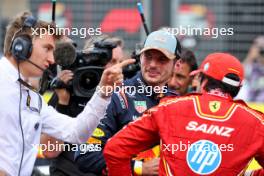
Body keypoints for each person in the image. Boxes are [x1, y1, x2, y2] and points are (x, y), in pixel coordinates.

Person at [0, 11, 134, 176]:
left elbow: (77, 133)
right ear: (22, 46)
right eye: (47, 48)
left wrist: (103, 91)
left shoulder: (34, 99)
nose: (52, 59)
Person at [103, 52, 264, 175]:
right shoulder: (257, 123)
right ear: (238, 88)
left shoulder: (169, 108)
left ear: (203, 80)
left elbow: (114, 150)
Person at [75, 29, 181, 176]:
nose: (152, 64)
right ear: (140, 56)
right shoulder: (115, 95)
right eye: (148, 57)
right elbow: (85, 155)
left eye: (162, 59)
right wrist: (139, 168)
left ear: (177, 64)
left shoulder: (178, 103)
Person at [40, 35, 126, 176]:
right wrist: (63, 103)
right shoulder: (67, 90)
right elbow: (49, 151)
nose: (117, 67)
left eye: (121, 62)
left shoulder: (125, 96)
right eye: (111, 61)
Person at [236, 36, 264, 102]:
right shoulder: (251, 66)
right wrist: (251, 56)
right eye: (260, 48)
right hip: (252, 103)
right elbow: (238, 76)